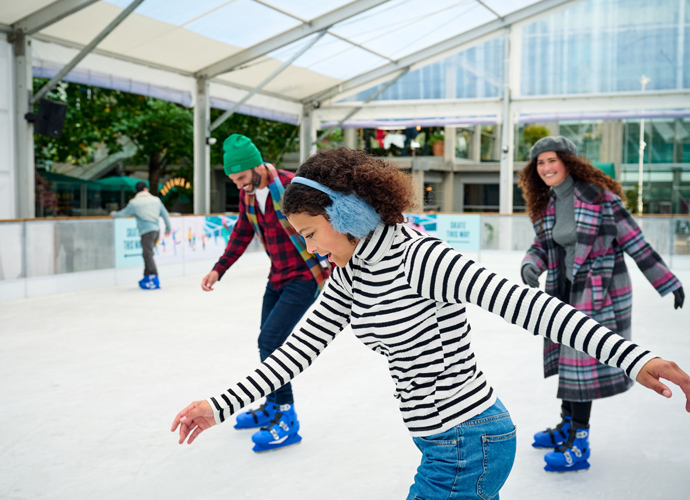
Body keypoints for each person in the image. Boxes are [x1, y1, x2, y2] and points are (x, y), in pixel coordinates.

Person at [173, 148, 690, 499]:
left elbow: (533, 308)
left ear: (348, 217)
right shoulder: (349, 273)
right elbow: (294, 351)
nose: (308, 247)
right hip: (444, 442)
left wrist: (635, 356)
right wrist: (218, 406)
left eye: (310, 233)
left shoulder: (424, 259)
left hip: (469, 443)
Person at [518, 136, 685, 472]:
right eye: (540, 163)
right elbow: (543, 245)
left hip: (597, 294)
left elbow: (637, 244)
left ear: (568, 162)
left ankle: (579, 442)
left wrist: (669, 283)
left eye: (552, 160)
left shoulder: (601, 200)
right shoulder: (549, 204)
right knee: (568, 363)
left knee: (580, 365)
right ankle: (567, 424)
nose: (546, 168)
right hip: (562, 290)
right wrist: (530, 264)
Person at [200, 134, 330, 452]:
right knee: (266, 340)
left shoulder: (290, 187)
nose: (238, 184)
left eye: (241, 177)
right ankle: (272, 405)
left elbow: (323, 221)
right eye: (233, 179)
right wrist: (219, 268)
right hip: (278, 276)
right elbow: (242, 233)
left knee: (270, 341)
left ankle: (287, 417)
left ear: (256, 166)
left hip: (304, 275)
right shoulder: (248, 197)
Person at [110, 181, 171, 290]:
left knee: (148, 255)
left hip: (146, 232)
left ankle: (155, 279)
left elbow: (122, 214)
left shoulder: (134, 203)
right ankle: (146, 277)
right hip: (156, 231)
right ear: (145, 189)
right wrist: (168, 228)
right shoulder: (156, 200)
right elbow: (165, 214)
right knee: (147, 255)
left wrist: (113, 214)